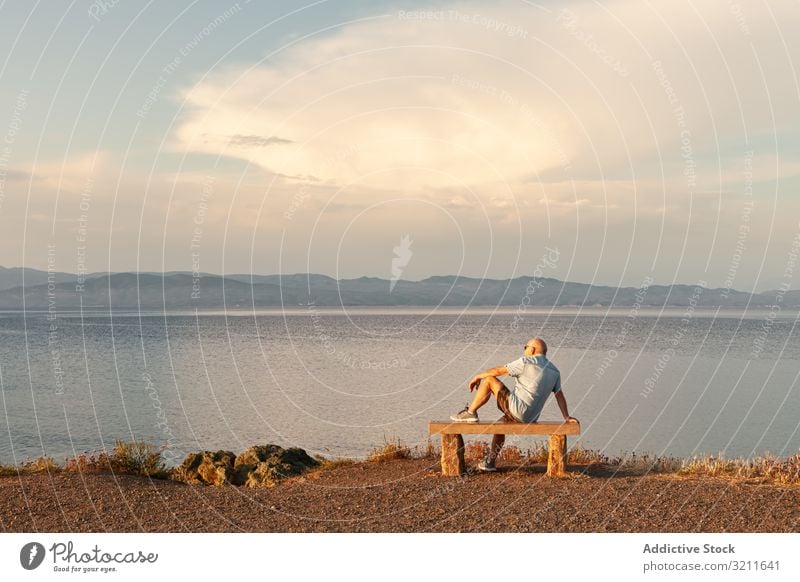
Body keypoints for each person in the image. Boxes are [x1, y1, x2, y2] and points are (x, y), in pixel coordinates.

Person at [450, 337, 578, 471]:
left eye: (525, 347)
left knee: (489, 380)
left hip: (517, 410)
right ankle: (490, 462)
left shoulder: (526, 361)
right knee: (500, 425)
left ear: (532, 349)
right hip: (531, 417)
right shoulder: (555, 371)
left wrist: (477, 376)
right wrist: (566, 417)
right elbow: (559, 395)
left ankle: (470, 413)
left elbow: (498, 371)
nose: (524, 350)